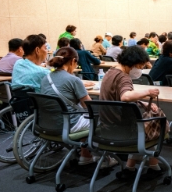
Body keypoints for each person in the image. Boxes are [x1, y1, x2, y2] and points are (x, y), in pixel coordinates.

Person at [40, 47, 116, 167]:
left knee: (83, 116)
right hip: (69, 124)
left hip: (47, 123)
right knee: (103, 118)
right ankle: (106, 157)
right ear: (73, 61)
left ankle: (85, 155)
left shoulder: (46, 78)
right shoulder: (73, 80)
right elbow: (89, 106)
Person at [100, 46, 165, 181]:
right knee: (157, 124)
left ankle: (130, 167)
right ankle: (154, 166)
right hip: (125, 131)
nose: (140, 70)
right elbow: (125, 97)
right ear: (134, 63)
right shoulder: (124, 77)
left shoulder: (110, 73)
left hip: (106, 128)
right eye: (140, 66)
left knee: (142, 125)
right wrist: (148, 92)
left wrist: (142, 103)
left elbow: (117, 100)